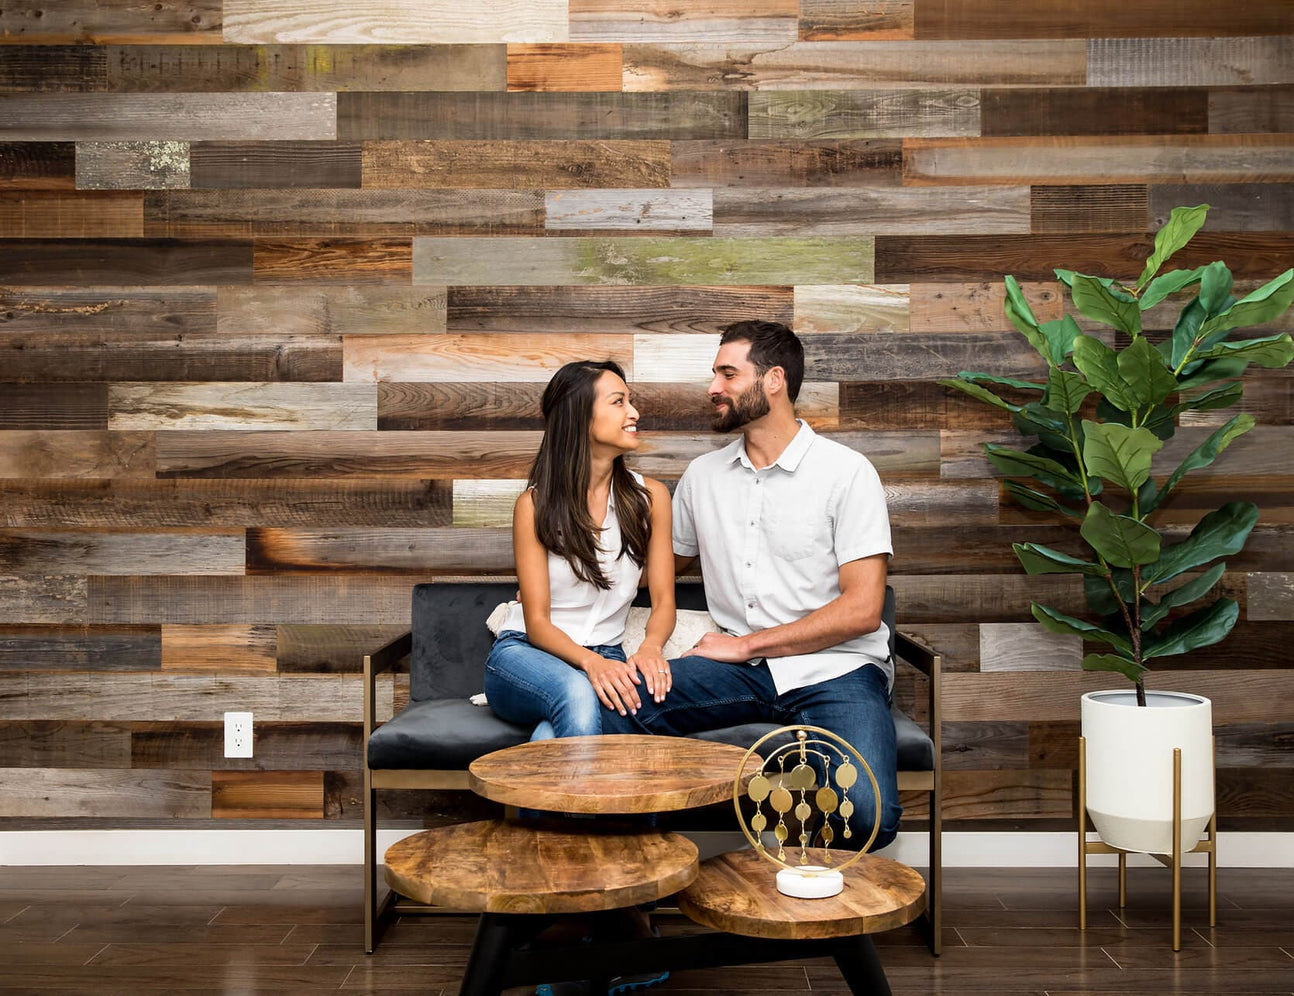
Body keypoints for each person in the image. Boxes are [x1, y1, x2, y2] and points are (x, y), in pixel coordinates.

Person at [600, 321, 902, 849]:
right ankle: (646, 874)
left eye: (727, 373)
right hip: (736, 672)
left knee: (869, 811)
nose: (713, 387)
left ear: (774, 380)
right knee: (605, 713)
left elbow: (862, 611)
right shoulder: (702, 477)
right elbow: (657, 572)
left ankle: (775, 877)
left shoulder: (847, 473)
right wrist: (561, 578)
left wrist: (744, 646)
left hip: (836, 669)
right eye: (715, 374)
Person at [484, 360, 676, 742]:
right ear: (580, 417)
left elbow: (663, 600)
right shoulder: (534, 506)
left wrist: (651, 647)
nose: (634, 413)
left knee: (547, 737)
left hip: (607, 651)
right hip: (524, 655)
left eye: (630, 401)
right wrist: (592, 664)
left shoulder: (651, 498)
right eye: (619, 402)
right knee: (576, 691)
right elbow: (537, 624)